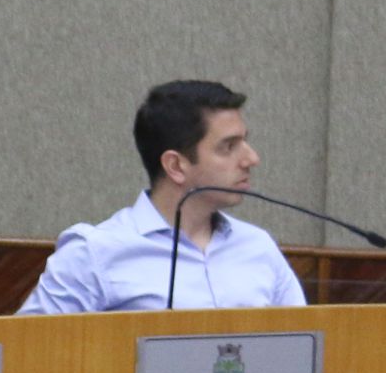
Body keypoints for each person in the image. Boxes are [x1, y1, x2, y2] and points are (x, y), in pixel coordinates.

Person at [21, 79, 305, 314]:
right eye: (228, 147)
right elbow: (27, 350)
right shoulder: (94, 252)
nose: (251, 159)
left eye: (245, 141)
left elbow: (307, 346)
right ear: (176, 166)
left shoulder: (258, 247)